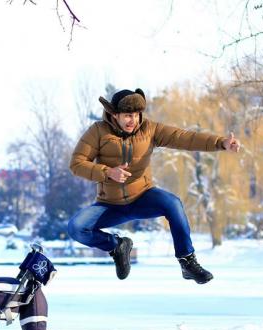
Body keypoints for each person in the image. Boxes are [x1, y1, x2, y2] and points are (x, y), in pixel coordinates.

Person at [67, 88, 241, 283]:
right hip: (110, 205)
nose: (132, 120)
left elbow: (185, 137)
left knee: (173, 203)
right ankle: (116, 246)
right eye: (126, 116)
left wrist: (221, 143)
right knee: (76, 227)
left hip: (143, 197)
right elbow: (77, 164)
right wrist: (107, 172)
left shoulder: (150, 129)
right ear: (114, 115)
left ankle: (187, 262)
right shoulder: (97, 131)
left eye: (135, 115)